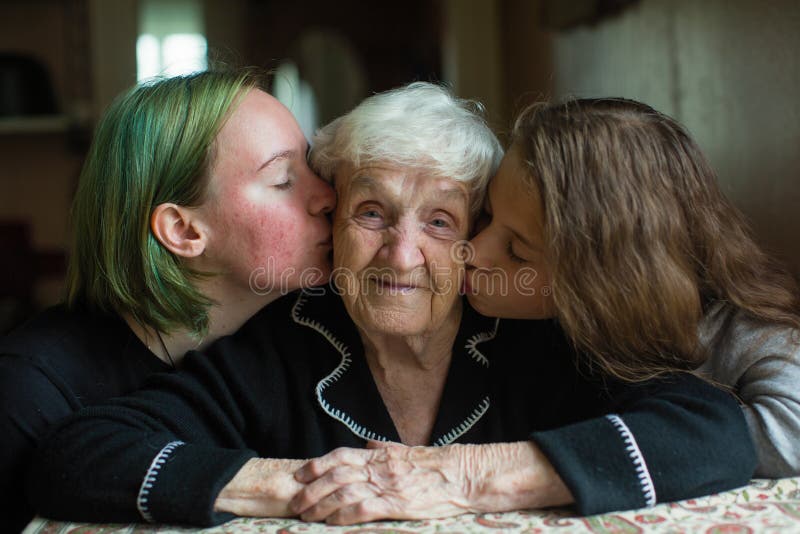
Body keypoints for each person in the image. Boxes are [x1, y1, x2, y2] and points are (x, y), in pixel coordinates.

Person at [27, 85, 754, 527]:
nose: (402, 256)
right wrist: (294, 484)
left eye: (440, 222)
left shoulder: (528, 336)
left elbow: (710, 428)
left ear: (474, 233)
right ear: (334, 220)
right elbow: (78, 457)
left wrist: (463, 474)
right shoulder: (285, 340)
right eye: (372, 213)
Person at [288, 96, 800, 525]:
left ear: (594, 286)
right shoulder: (552, 336)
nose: (474, 249)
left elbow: (758, 432)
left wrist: (476, 472)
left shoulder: (749, 336)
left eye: (517, 251)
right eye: (485, 217)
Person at [0, 69, 335, 532]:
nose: (327, 197)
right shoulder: (26, 390)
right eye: (283, 180)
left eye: (312, 166)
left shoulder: (311, 335)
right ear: (183, 231)